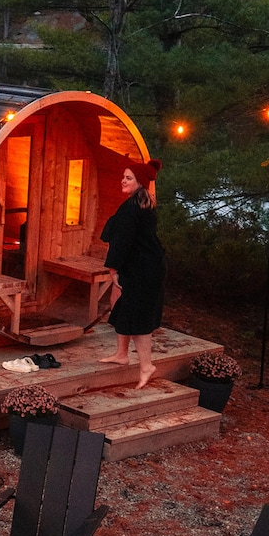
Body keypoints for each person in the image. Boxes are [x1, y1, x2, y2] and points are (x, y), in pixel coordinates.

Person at [99, 159, 165, 389]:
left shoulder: (132, 208)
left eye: (128, 178)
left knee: (138, 318)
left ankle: (146, 366)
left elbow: (122, 242)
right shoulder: (140, 203)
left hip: (143, 270)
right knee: (123, 308)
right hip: (145, 266)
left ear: (139, 182)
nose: (123, 181)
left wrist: (113, 268)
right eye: (123, 177)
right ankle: (121, 354)